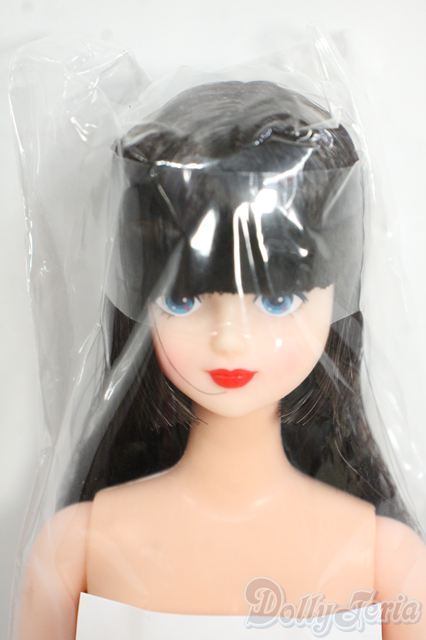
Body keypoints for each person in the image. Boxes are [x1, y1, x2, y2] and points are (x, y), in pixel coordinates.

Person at [16, 80, 426, 640]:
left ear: (339, 298)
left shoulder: (388, 563)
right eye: (183, 300)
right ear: (138, 305)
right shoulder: (77, 548)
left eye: (278, 300)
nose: (230, 340)